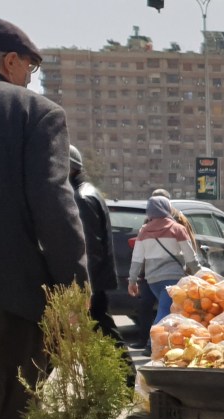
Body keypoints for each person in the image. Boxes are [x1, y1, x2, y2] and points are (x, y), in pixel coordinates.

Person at [0, 17, 88, 419]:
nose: (31, 78)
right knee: (12, 413)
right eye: (31, 68)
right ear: (10, 62)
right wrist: (74, 289)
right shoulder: (32, 112)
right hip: (10, 296)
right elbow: (53, 202)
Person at [69, 145, 136, 387]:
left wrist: (84, 287)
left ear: (70, 168)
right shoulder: (87, 193)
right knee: (101, 331)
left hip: (90, 283)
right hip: (94, 281)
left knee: (102, 330)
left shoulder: (81, 198)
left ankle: (125, 381)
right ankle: (121, 381)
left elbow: (89, 248)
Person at [128, 196, 199, 357]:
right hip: (173, 278)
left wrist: (132, 280)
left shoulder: (144, 231)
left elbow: (137, 258)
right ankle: (151, 344)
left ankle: (169, 345)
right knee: (164, 310)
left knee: (167, 309)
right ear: (167, 208)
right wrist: (198, 273)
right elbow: (190, 257)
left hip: (152, 279)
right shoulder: (177, 229)